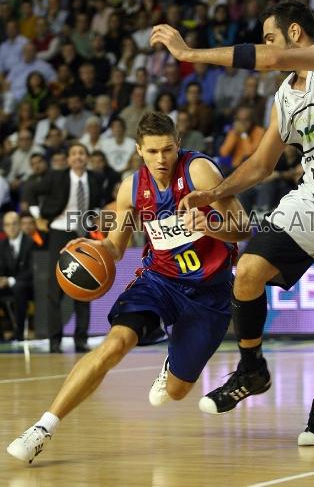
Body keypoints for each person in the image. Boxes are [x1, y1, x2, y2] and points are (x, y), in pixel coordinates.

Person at [150, 0, 314, 446]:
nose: (266, 46)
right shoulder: (285, 96)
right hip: (313, 202)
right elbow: (260, 163)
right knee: (249, 271)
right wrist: (215, 193)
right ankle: (252, 368)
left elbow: (272, 58)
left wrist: (190, 54)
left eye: (271, 36)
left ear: (296, 33)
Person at [7, 111, 249, 464]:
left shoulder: (199, 171)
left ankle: (172, 363)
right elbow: (116, 246)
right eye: (152, 151)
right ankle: (43, 428)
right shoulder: (131, 189)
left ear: (178, 145)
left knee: (178, 392)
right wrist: (86, 248)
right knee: (115, 345)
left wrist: (211, 225)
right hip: (159, 281)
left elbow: (243, 227)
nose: (161, 159)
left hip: (209, 293)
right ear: (139, 150)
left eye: (167, 149)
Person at [25, 143, 103, 353]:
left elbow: (96, 203)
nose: (78, 157)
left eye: (81, 153)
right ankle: (54, 341)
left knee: (86, 286)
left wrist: (92, 220)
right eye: (74, 153)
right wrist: (37, 216)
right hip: (60, 232)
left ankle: (81, 339)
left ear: (86, 158)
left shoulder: (95, 179)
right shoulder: (56, 177)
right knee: (55, 289)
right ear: (68, 159)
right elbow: (30, 189)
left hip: (83, 234)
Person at [0, 211, 34, 341]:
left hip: (28, 285)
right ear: (4, 227)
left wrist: (10, 280)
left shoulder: (30, 242)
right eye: (7, 225)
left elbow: (32, 270)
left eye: (14, 224)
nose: (11, 228)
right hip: (8, 285)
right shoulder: (2, 245)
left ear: (19, 225)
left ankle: (19, 333)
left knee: (19, 289)